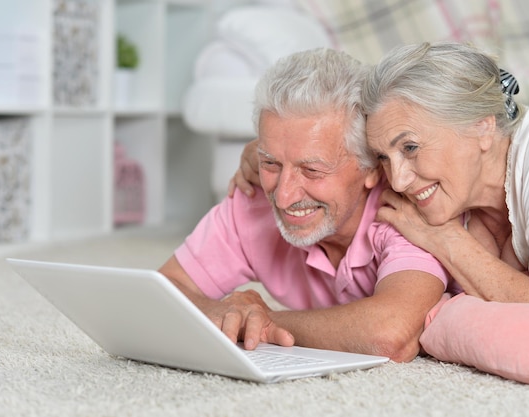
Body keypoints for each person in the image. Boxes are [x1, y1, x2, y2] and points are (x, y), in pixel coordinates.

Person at [159, 47, 452, 362]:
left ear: (371, 166)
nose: (284, 196)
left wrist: (263, 320)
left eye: (312, 170)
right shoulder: (252, 197)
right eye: (271, 163)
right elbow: (162, 289)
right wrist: (222, 312)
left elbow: (389, 334)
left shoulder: (405, 211)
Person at [360, 41, 529, 319]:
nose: (397, 181)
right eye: (383, 157)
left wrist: (447, 241)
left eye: (410, 148)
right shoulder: (466, 204)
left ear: (482, 126)